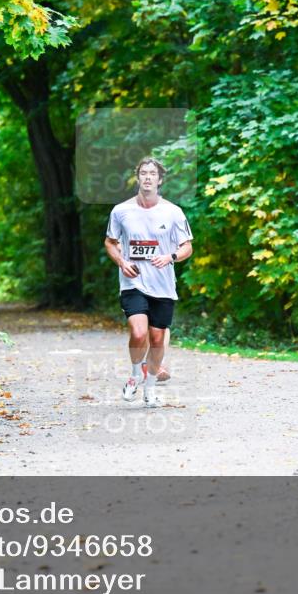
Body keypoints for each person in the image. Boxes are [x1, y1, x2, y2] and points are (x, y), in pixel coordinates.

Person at [105, 157, 193, 407]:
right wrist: (122, 262)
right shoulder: (121, 211)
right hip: (133, 282)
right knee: (139, 331)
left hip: (163, 285)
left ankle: (151, 387)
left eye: (152, 173)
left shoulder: (173, 212)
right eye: (143, 172)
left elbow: (187, 246)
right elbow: (110, 243)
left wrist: (170, 256)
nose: (147, 177)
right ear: (138, 177)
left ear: (160, 179)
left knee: (156, 339)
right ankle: (135, 375)